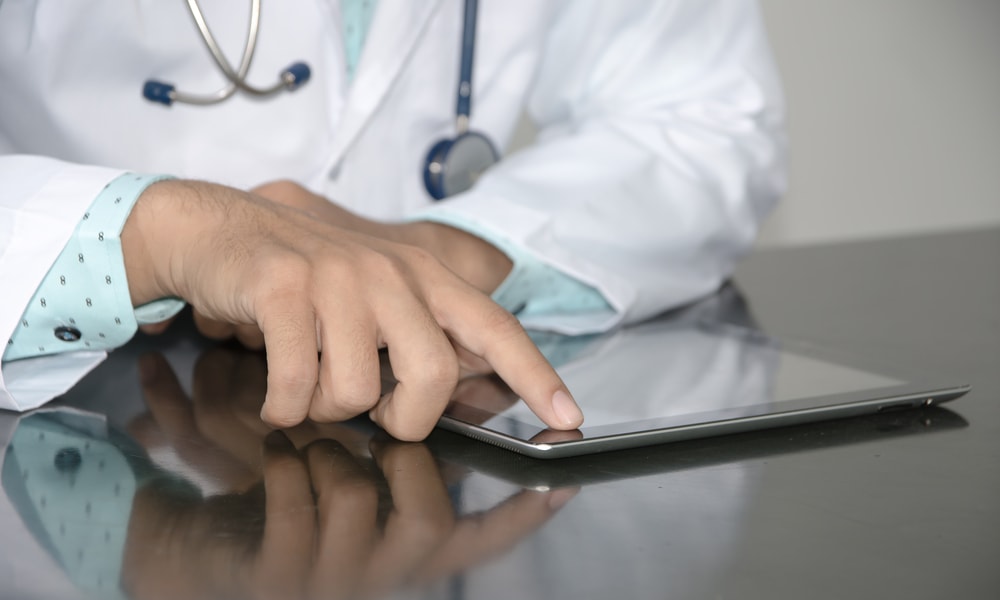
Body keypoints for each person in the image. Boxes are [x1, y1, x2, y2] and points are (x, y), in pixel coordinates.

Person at [0, 0, 786, 441]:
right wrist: (159, 233)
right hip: (85, 421)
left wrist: (451, 248)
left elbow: (701, 113)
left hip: (404, 426)